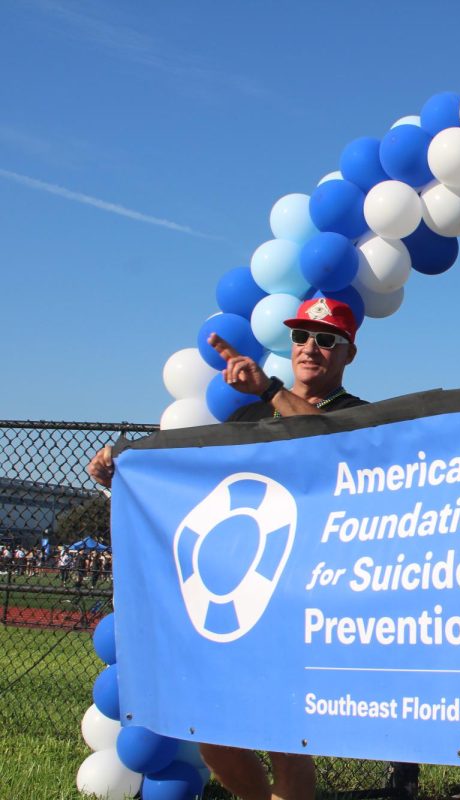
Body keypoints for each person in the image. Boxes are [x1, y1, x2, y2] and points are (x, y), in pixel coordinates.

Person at [86, 297, 419, 800]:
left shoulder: (356, 415)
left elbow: (327, 442)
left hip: (294, 594)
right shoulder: (248, 413)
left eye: (327, 340)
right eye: (302, 336)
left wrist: (269, 387)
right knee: (211, 730)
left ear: (349, 354)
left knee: (285, 739)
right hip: (233, 598)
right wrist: (124, 469)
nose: (311, 348)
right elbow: (194, 484)